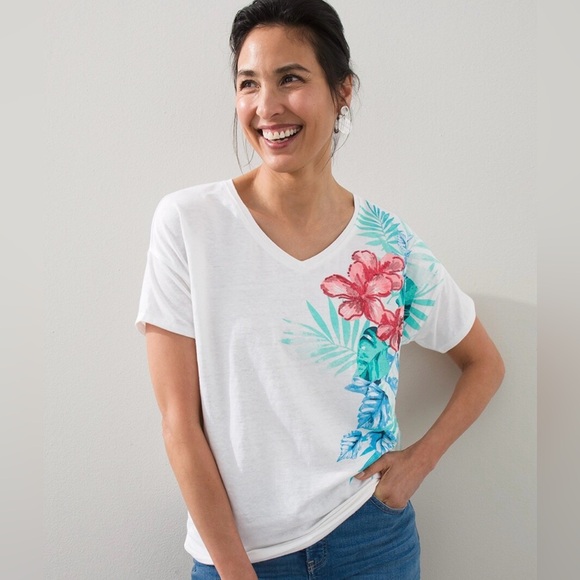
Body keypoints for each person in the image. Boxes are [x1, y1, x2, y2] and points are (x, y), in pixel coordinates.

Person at [135, 0, 505, 578]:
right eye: (248, 84)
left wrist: (419, 462)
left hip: (371, 540)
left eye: (291, 79)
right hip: (239, 556)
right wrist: (236, 571)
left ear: (342, 91)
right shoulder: (190, 224)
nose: (266, 107)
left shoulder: (387, 243)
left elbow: (484, 363)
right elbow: (178, 422)